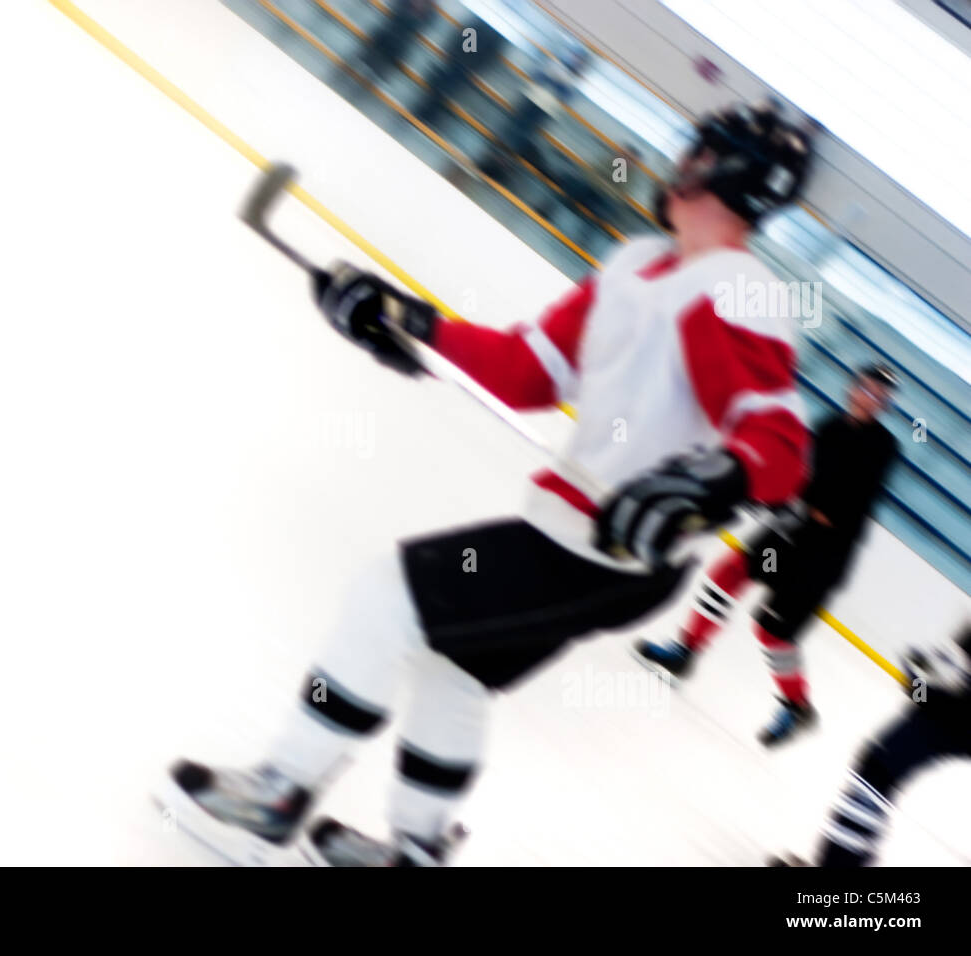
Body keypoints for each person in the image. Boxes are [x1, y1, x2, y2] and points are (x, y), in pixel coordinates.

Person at [160, 103, 814, 866]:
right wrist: (408, 322)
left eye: (701, 151)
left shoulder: (736, 286)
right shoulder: (639, 264)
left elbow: (782, 447)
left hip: (603, 552)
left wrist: (719, 478)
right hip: (578, 541)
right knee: (455, 671)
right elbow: (527, 371)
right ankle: (416, 848)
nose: (682, 163)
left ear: (731, 174)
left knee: (387, 596)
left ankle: (276, 796)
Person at [634, 365, 899, 746]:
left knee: (773, 632)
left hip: (823, 556)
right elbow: (803, 479)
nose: (870, 399)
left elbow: (844, 504)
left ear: (885, 405)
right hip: (792, 534)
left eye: (879, 396)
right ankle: (686, 651)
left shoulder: (883, 448)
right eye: (867, 389)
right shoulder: (829, 428)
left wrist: (791, 501)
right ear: (853, 388)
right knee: (731, 573)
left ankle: (797, 706)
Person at [773, 627, 971, 866]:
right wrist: (922, 681)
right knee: (876, 776)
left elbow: (943, 706)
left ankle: (839, 864)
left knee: (876, 777)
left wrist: (918, 684)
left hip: (945, 721)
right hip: (946, 719)